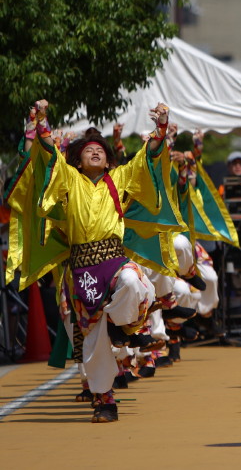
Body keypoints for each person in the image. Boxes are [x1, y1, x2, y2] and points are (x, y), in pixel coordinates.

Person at [15, 99, 171, 422]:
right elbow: (47, 155)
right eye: (89, 150)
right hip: (82, 269)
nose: (96, 152)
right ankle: (105, 401)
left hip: (113, 260)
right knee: (93, 337)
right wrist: (42, 121)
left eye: (100, 149)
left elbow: (148, 159)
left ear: (108, 158)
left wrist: (161, 129)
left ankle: (121, 326)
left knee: (136, 284)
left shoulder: (119, 179)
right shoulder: (69, 180)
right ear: (78, 160)